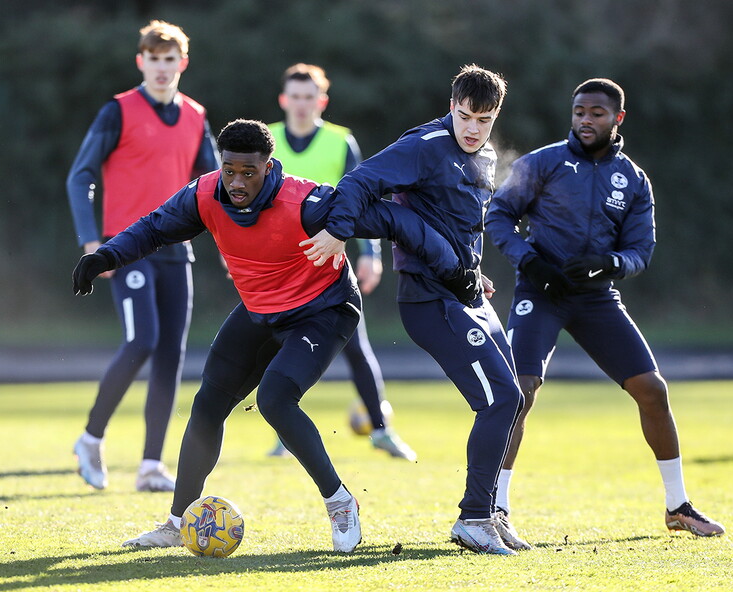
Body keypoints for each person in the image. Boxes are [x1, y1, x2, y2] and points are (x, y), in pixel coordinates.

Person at [71, 119, 480, 553]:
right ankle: (176, 522)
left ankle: (340, 502)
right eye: (229, 169)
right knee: (207, 403)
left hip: (324, 310)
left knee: (274, 399)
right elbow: (154, 228)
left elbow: (397, 219)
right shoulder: (205, 193)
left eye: (248, 172)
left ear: (268, 166)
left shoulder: (306, 202)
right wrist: (105, 256)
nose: (236, 182)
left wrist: (458, 272)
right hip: (260, 310)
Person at [484, 78, 725, 537]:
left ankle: (679, 507)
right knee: (520, 391)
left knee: (652, 389)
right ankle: (495, 510)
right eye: (578, 112)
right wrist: (531, 263)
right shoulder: (543, 163)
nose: (585, 120)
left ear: (618, 118)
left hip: (596, 299)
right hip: (542, 293)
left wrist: (608, 264)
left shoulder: (633, 180)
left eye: (596, 113)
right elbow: (498, 215)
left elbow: (640, 251)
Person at [301, 65, 527, 555]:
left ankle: (490, 512)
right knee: (500, 400)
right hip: (428, 300)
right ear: (451, 107)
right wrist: (340, 229)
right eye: (465, 116)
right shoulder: (425, 146)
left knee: (514, 398)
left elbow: (460, 224)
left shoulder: (485, 155)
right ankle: (475, 519)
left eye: (483, 120)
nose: (472, 129)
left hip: (468, 296)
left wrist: (474, 268)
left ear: (494, 118)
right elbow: (360, 181)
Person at [65, 20, 219, 492]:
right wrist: (94, 244)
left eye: (169, 60)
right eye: (153, 59)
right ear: (141, 62)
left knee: (171, 354)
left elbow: (217, 191)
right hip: (127, 249)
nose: (161, 68)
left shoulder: (195, 116)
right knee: (143, 341)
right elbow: (80, 176)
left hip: (177, 252)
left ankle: (151, 464)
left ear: (182, 64)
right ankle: (91, 438)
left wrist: (238, 248)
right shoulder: (118, 111)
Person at [265, 63, 415, 461]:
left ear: (322, 100)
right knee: (277, 350)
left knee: (356, 347)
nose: (301, 104)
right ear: (284, 100)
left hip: (329, 264)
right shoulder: (268, 141)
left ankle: (382, 431)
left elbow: (361, 200)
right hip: (275, 267)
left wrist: (371, 255)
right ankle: (284, 432)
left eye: (309, 97)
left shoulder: (340, 142)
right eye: (294, 96)